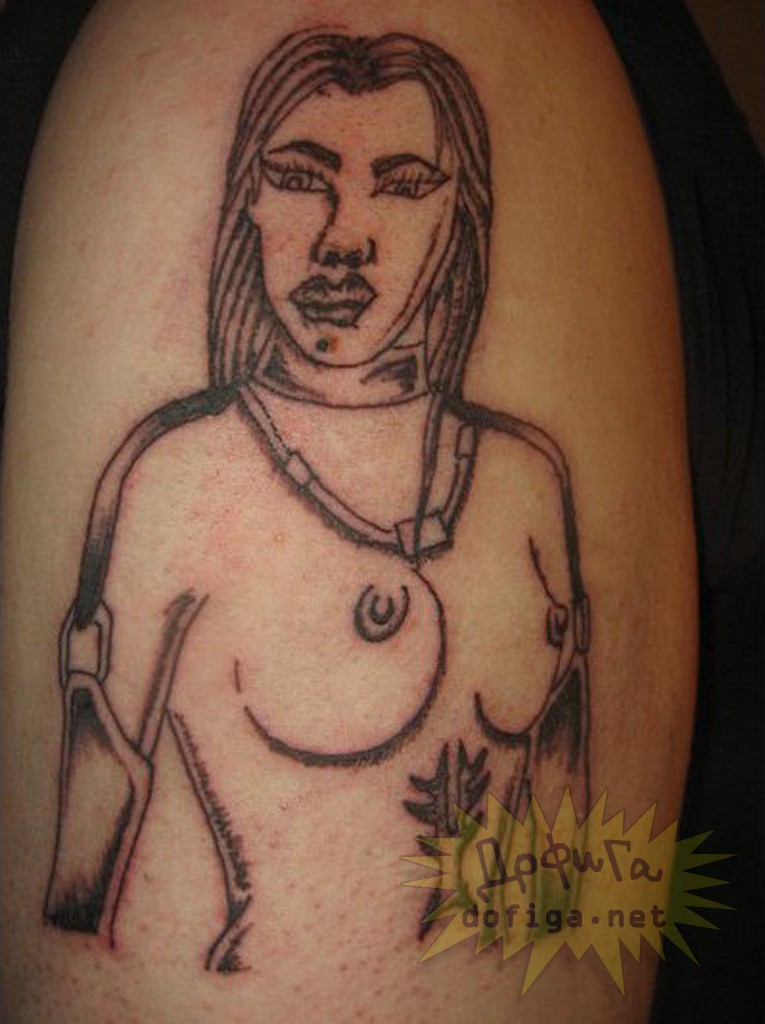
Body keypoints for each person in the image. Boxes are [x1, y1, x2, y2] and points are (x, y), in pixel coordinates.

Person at [2, 4, 697, 1020]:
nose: (343, 242)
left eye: (405, 185)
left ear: (460, 211)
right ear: (244, 196)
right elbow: (81, 893)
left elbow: (561, 896)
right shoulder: (174, 477)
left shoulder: (526, 487)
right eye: (298, 176)